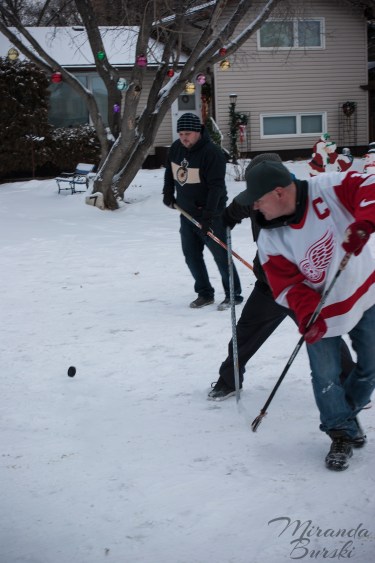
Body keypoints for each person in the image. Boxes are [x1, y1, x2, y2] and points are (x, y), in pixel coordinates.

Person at [235, 159, 375, 471]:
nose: (255, 209)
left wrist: (364, 222)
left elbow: (370, 187)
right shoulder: (270, 238)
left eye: (258, 200)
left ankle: (346, 418)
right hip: (321, 313)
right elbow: (284, 283)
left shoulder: (328, 189)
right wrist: (307, 312)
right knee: (325, 376)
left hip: (365, 295)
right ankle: (340, 431)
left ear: (280, 192)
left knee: (371, 365)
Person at [208, 153, 356, 401]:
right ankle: (229, 380)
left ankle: (350, 383)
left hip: (304, 289)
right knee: (245, 334)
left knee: (324, 337)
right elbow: (234, 210)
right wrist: (222, 220)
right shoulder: (254, 199)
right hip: (268, 287)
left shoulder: (306, 202)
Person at [163, 112, 243, 310]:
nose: (184, 138)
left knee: (220, 255)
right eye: (181, 133)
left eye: (187, 133)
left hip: (212, 214)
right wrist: (167, 192)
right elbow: (170, 171)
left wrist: (208, 216)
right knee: (191, 255)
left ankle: (234, 295)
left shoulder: (212, 153)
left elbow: (216, 188)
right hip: (187, 212)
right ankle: (205, 293)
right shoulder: (176, 148)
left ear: (198, 131)